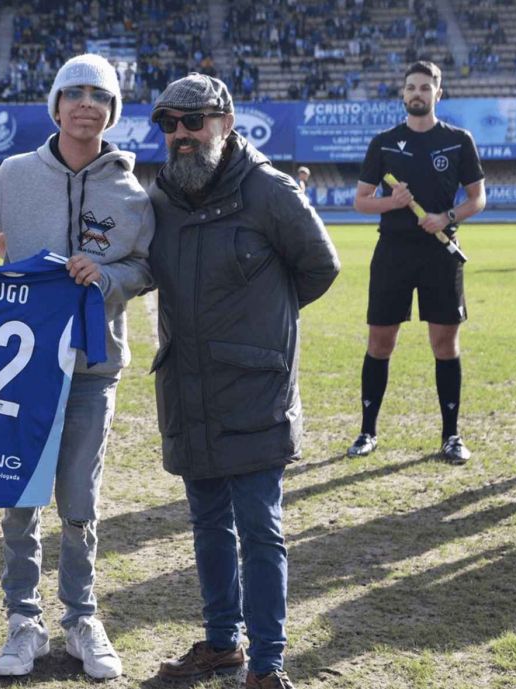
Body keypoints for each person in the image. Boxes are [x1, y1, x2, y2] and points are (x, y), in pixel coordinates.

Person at [0, 53, 154, 681]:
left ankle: (81, 618)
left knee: (79, 501)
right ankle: (23, 620)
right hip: (22, 370)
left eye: (100, 95)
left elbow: (147, 267)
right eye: (75, 92)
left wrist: (108, 275)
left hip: (91, 371)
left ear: (112, 110)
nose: (87, 103)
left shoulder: (131, 192)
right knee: (20, 497)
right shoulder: (15, 173)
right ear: (56, 105)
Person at [147, 73, 339, 689]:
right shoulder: (160, 198)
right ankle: (222, 642)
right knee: (207, 524)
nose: (181, 134)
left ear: (226, 123)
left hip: (255, 391)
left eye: (194, 120)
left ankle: (267, 663)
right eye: (169, 124)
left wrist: (261, 326)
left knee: (261, 531)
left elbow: (320, 267)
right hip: (188, 389)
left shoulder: (269, 191)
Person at [347, 61, 486, 463]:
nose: (417, 94)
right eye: (411, 87)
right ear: (403, 93)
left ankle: (451, 436)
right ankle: (367, 432)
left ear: (438, 93)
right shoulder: (384, 143)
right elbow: (361, 201)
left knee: (445, 344)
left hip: (441, 253)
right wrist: (393, 202)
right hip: (393, 252)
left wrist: (447, 217)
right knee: (380, 342)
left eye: (425, 87)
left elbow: (477, 198)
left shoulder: (458, 140)